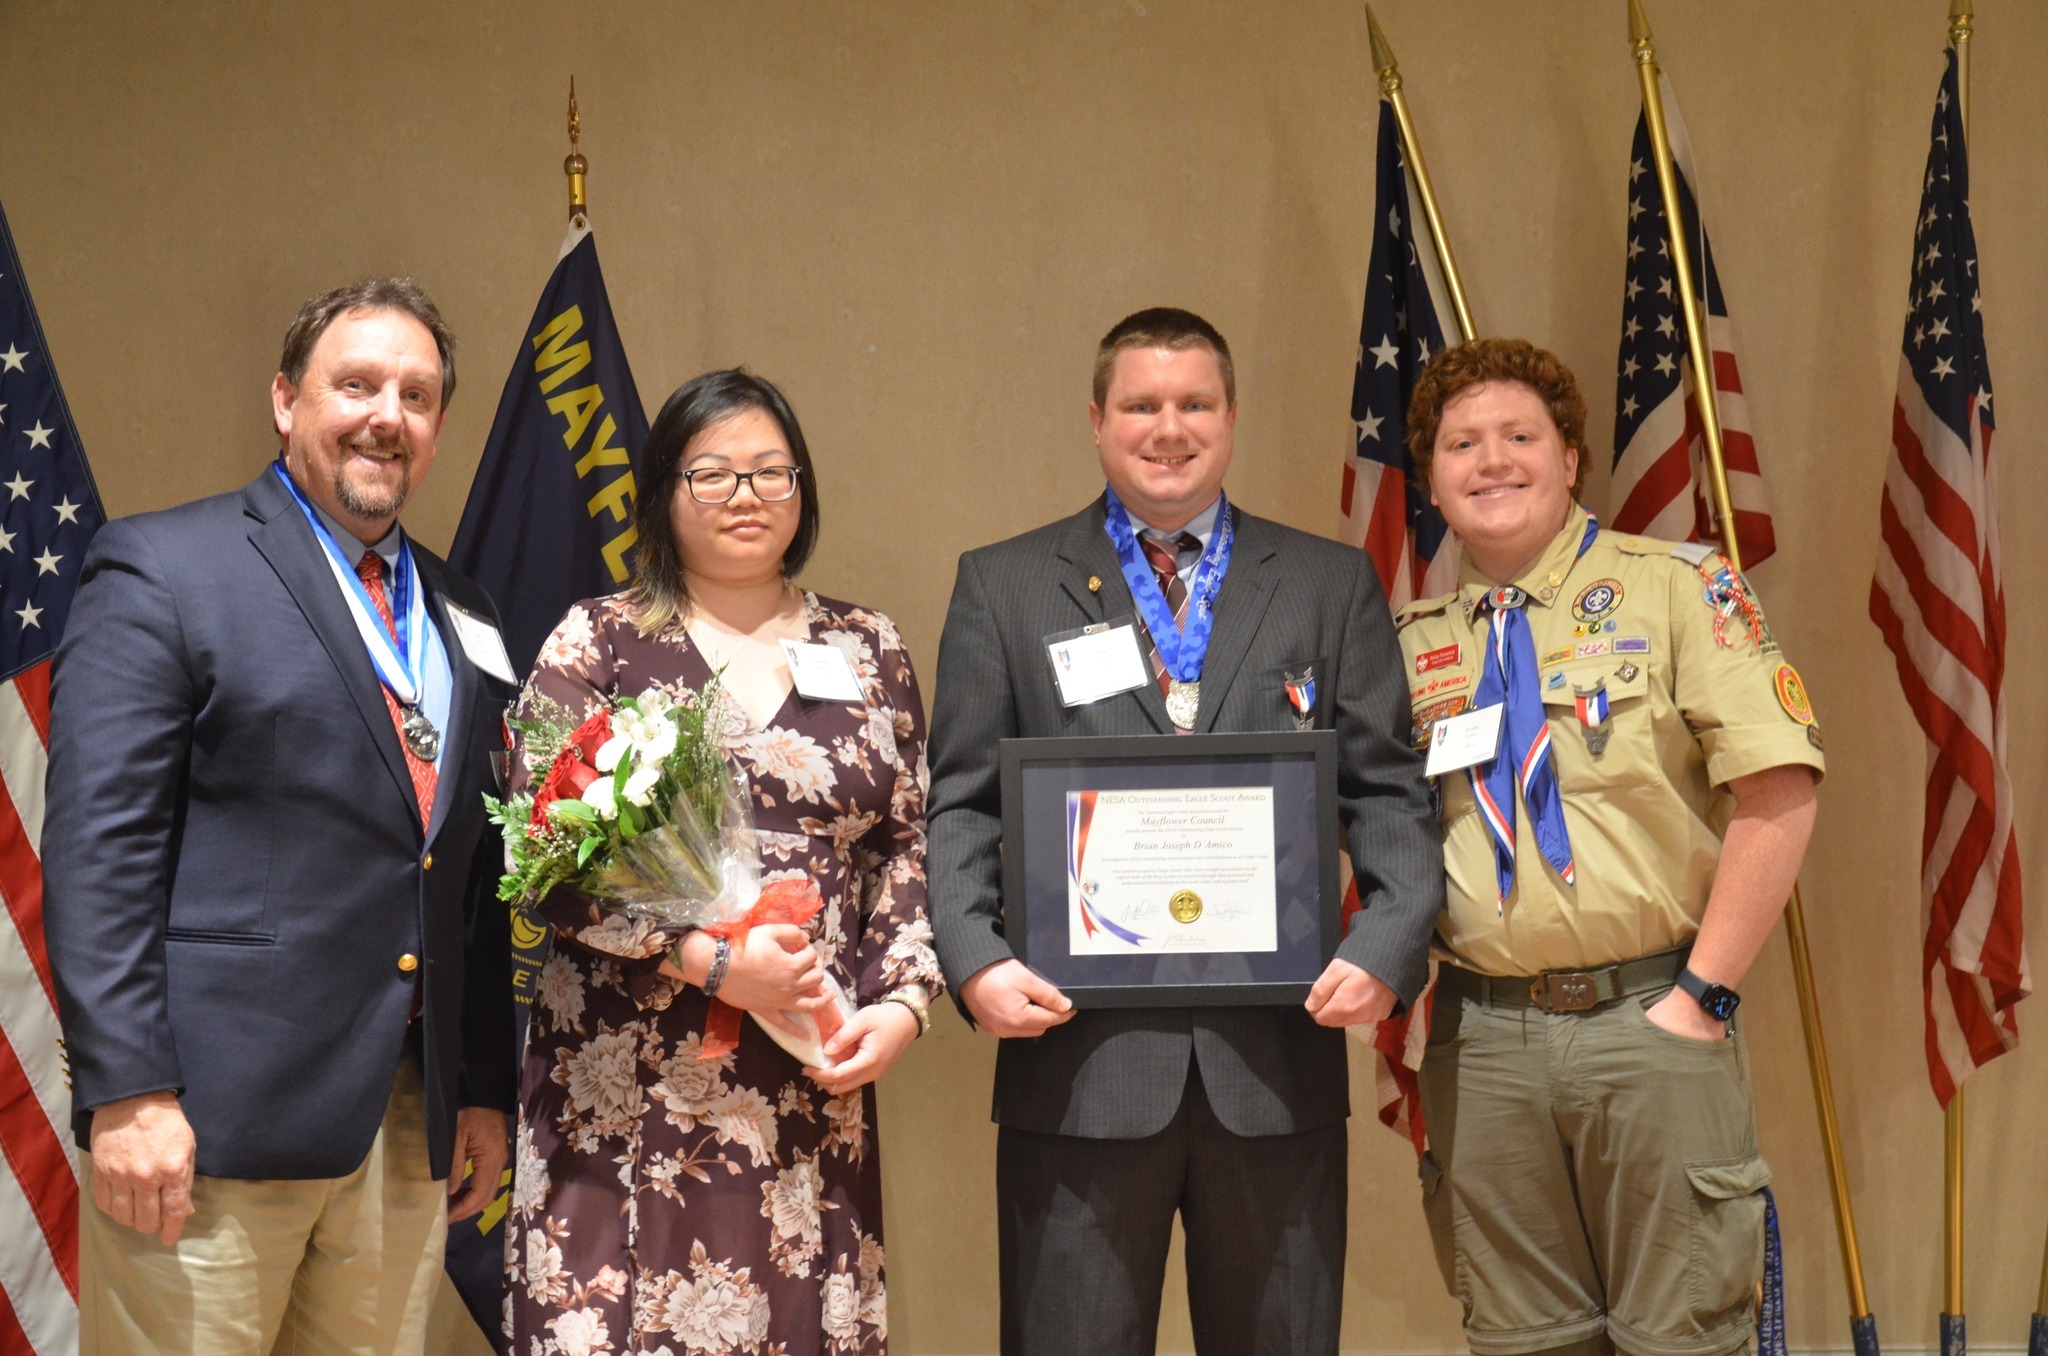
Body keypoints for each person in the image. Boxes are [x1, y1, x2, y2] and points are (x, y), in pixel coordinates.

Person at [927, 307, 1441, 1355]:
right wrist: (973, 963)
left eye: (1193, 403)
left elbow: (1388, 792)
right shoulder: (1005, 584)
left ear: (1230, 416)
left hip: (1274, 1073)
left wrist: (1385, 949)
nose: (1169, 427)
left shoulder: (1326, 583)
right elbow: (960, 804)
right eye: (1141, 405)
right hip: (1073, 1071)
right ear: (1096, 419)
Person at [44, 277, 517, 1353]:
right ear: (284, 400)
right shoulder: (164, 568)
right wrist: (128, 1093)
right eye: (355, 384)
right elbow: (97, 853)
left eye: (417, 394)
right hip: (208, 1127)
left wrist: (481, 1086)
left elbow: (470, 872)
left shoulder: (466, 611)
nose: (385, 416)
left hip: (404, 1129)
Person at [1395, 338, 1823, 1356]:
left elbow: (1777, 787)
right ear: (1429, 479)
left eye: (1516, 435)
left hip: (1649, 1020)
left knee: (1683, 1336)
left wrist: (1703, 996)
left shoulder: (1676, 589)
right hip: (1483, 1041)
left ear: (1570, 454)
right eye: (1460, 443)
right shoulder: (1408, 642)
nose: (1489, 460)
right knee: (1517, 1338)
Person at [504, 369, 941, 1355]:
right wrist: (702, 959)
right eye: (711, 474)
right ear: (663, 492)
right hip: (621, 1088)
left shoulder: (869, 647)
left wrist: (900, 1005)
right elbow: (540, 854)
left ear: (803, 490)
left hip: (807, 1075)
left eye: (768, 472)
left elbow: (910, 844)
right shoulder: (600, 640)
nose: (744, 497)